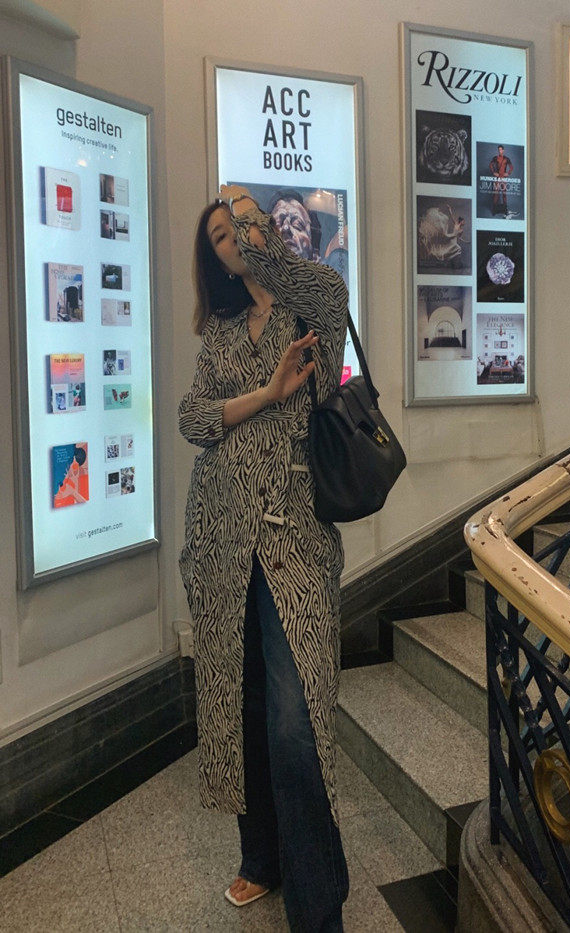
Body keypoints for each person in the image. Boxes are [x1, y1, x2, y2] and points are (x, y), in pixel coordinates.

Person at [178, 184, 349, 932]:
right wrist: (267, 393)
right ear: (213, 259)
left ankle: (317, 907)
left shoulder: (311, 309)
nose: (236, 239)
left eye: (244, 224)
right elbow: (192, 418)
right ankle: (262, 857)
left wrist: (259, 232)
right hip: (221, 540)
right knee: (241, 704)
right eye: (222, 235)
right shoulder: (220, 333)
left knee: (295, 720)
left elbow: (324, 287)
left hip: (294, 541)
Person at [489, 144, 515, 218]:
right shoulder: (495, 158)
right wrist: (493, 172)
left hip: (503, 178)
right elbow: (490, 165)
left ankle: (505, 210)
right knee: (496, 194)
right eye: (499, 150)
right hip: (497, 178)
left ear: (503, 150)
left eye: (501, 150)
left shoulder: (506, 159)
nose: (500, 151)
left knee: (504, 194)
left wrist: (508, 173)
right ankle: (494, 210)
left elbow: (511, 167)